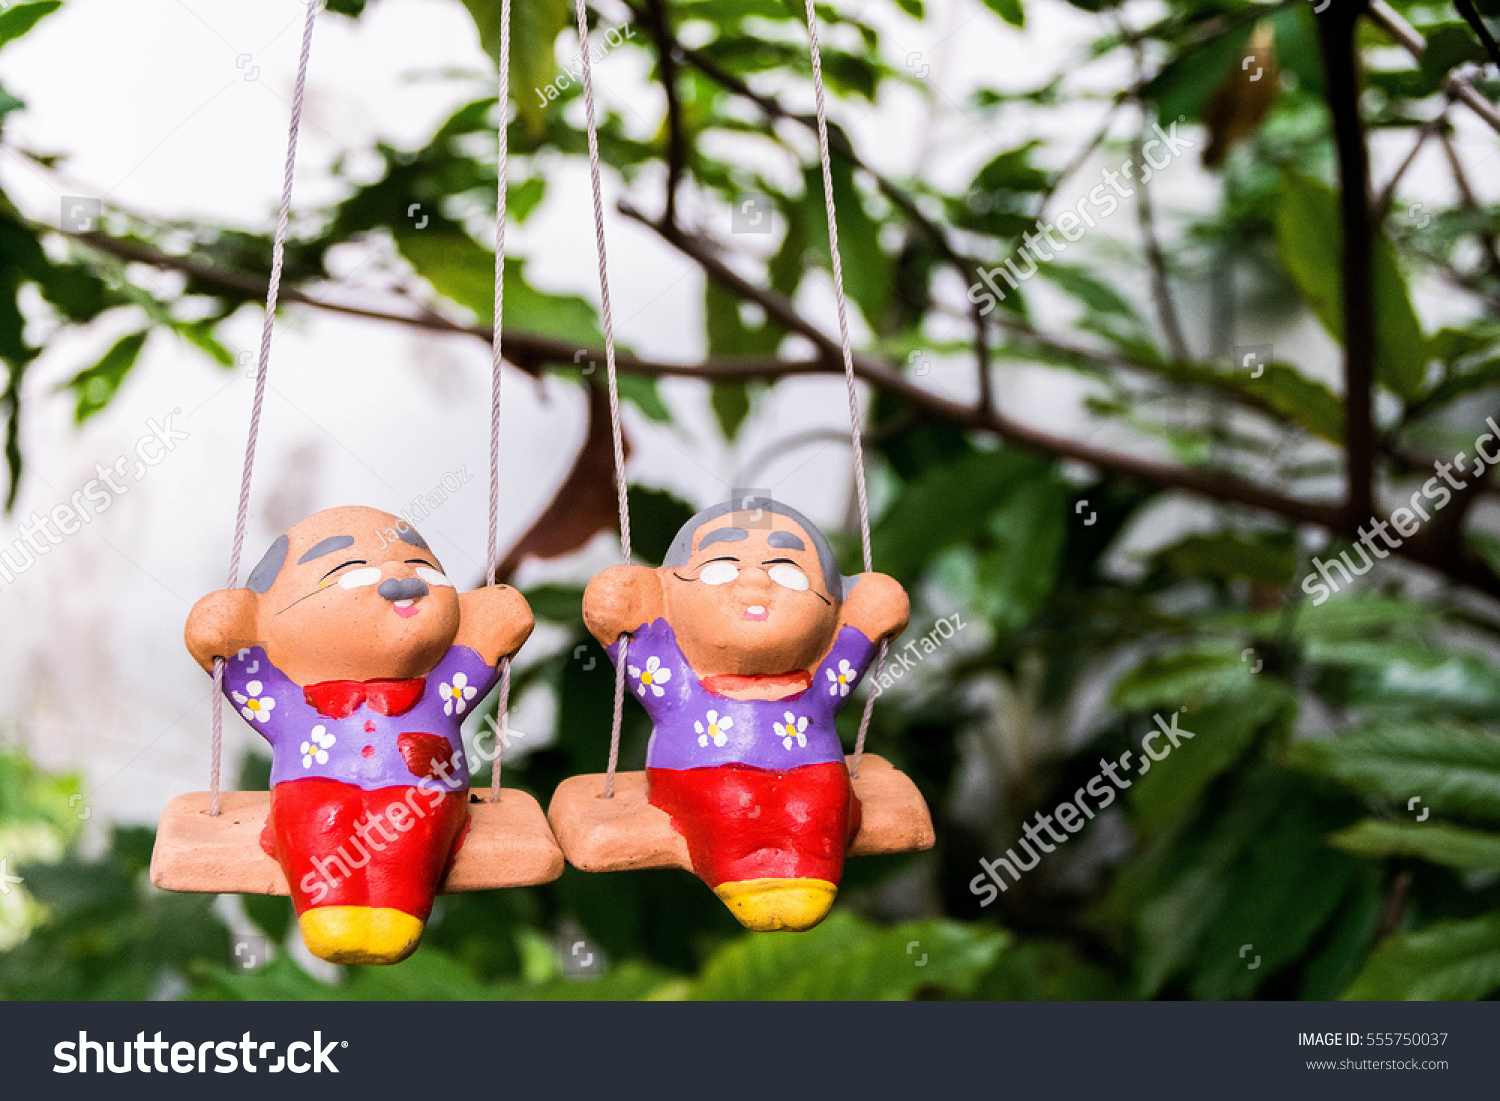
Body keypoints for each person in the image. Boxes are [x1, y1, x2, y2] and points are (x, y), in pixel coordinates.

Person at [185, 505, 533, 964]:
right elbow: (247, 677)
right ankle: (327, 914)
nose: (400, 579)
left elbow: (483, 649)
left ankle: (398, 914)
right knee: (317, 823)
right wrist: (225, 636)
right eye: (349, 568)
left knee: (410, 834)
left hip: (419, 789)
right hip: (310, 786)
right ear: (266, 618)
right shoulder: (292, 700)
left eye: (421, 567)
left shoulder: (437, 686)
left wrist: (492, 623)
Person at [583, 496, 909, 931]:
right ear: (668, 592)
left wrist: (867, 622)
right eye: (720, 569)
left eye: (788, 572)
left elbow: (848, 654)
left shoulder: (814, 684)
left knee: (824, 800)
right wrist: (624, 617)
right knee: (729, 803)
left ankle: (810, 874)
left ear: (834, 605)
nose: (754, 587)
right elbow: (641, 652)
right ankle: (742, 877)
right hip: (703, 769)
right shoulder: (680, 680)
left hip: (813, 767)